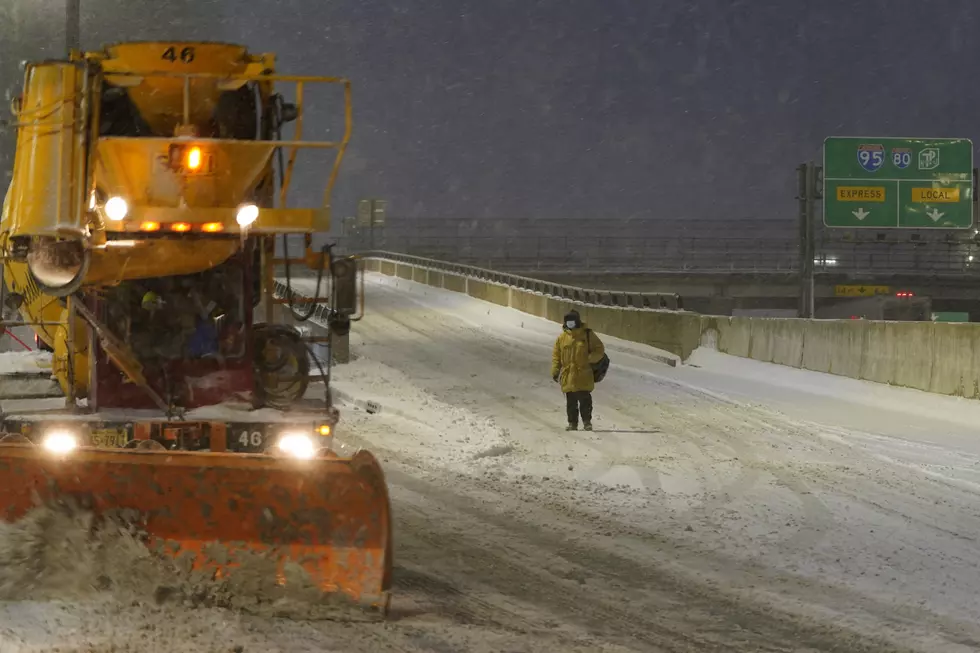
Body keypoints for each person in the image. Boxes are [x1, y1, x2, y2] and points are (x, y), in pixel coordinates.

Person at [551, 310, 605, 431]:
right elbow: (556, 356)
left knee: (585, 400)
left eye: (572, 321)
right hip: (568, 375)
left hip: (583, 374)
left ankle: (587, 422)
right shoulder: (561, 338)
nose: (570, 324)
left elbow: (599, 349)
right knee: (571, 402)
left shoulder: (587, 335)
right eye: (568, 322)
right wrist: (555, 370)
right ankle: (572, 423)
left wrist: (590, 359)